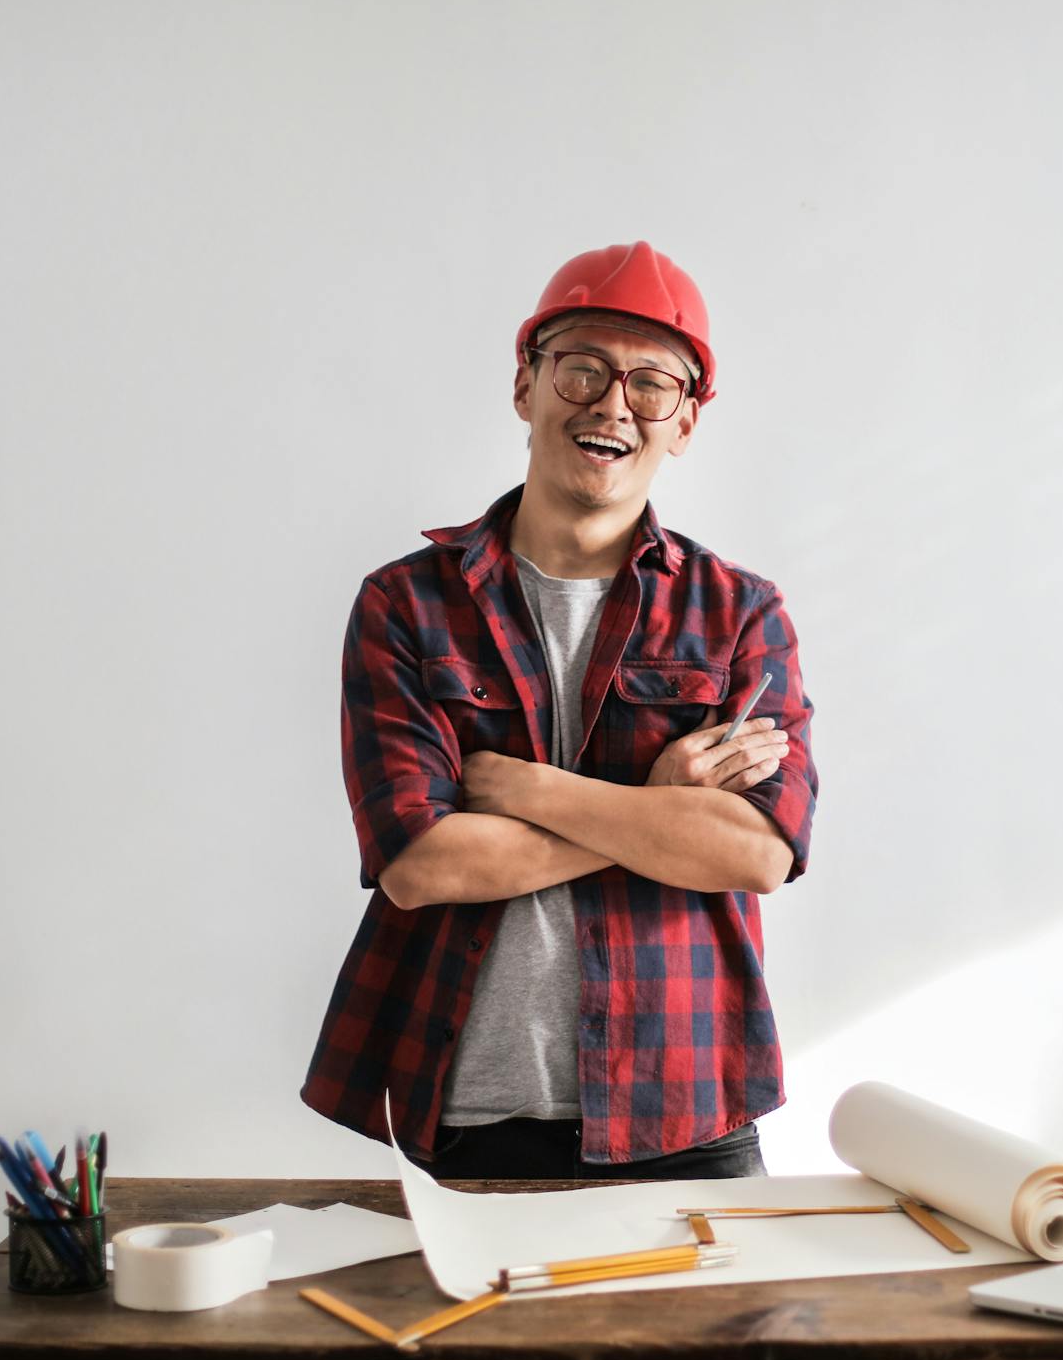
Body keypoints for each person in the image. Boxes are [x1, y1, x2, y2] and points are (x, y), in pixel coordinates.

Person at [299, 241, 818, 1181]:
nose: (613, 405)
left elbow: (757, 855)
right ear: (525, 386)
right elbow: (420, 866)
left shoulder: (741, 612)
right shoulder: (406, 605)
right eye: (582, 367)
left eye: (653, 384)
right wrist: (660, 804)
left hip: (690, 1113)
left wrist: (531, 790)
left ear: (687, 422)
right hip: (471, 1117)